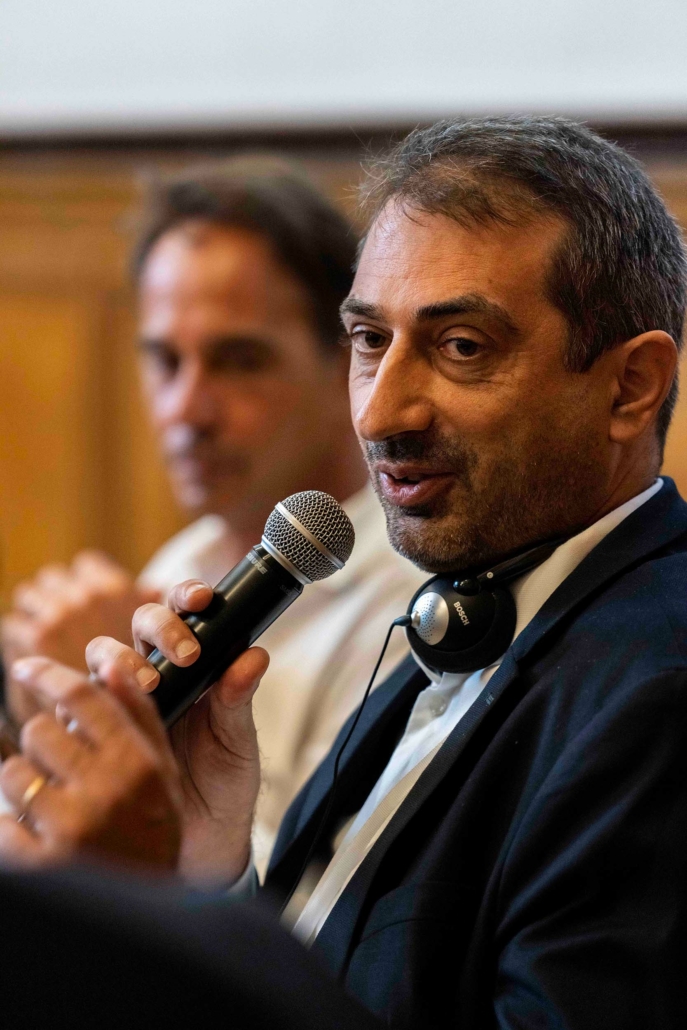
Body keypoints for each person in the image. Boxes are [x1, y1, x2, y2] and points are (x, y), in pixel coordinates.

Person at [1, 116, 687, 1029]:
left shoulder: (657, 692)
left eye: (461, 347)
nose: (379, 411)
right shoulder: (470, 609)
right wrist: (202, 865)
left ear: (630, 386)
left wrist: (144, 918)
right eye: (368, 340)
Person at [0, 158, 424, 868]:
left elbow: (315, 910)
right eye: (165, 360)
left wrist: (118, 744)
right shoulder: (188, 560)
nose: (185, 411)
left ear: (347, 363)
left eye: (238, 361)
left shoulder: (406, 607)